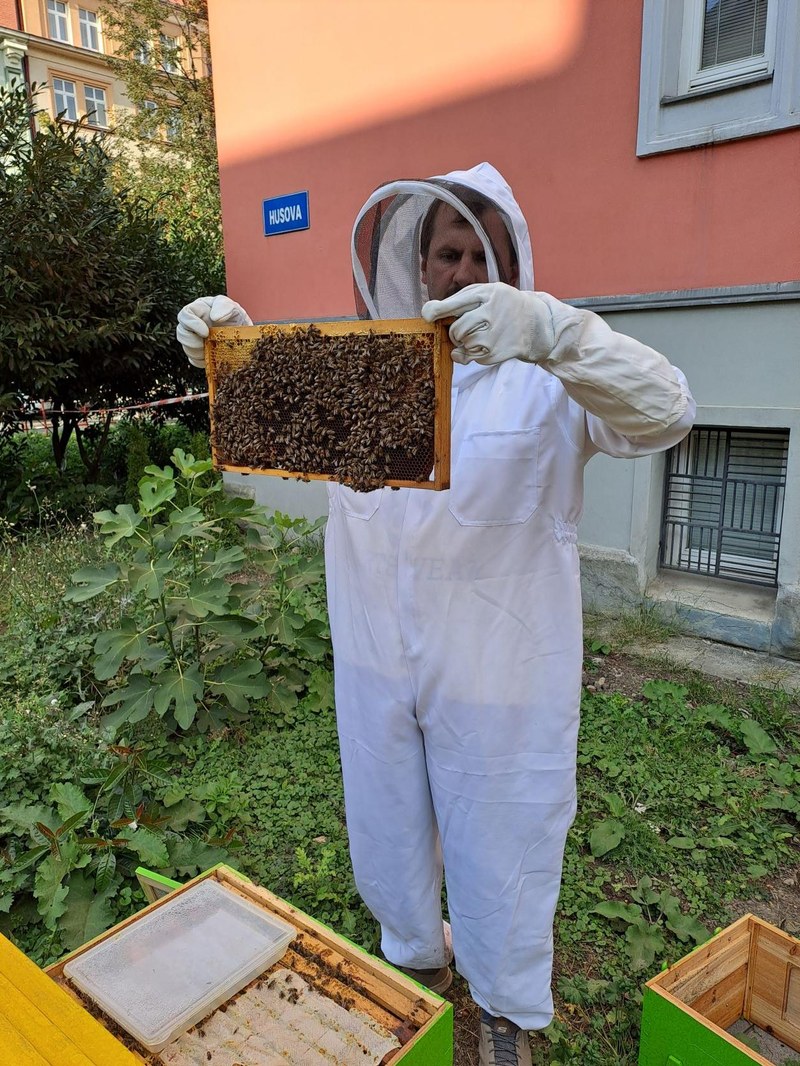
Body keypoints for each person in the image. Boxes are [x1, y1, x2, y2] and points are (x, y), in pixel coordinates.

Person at [177, 162, 695, 1066]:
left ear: (511, 261)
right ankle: (416, 959)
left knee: (505, 839)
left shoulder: (548, 380)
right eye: (444, 253)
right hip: (378, 657)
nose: (459, 272)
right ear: (416, 269)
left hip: (501, 669)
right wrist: (235, 349)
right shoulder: (363, 378)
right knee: (383, 820)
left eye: (478, 253)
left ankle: (504, 1013)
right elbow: (273, 414)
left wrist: (554, 331)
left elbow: (668, 412)